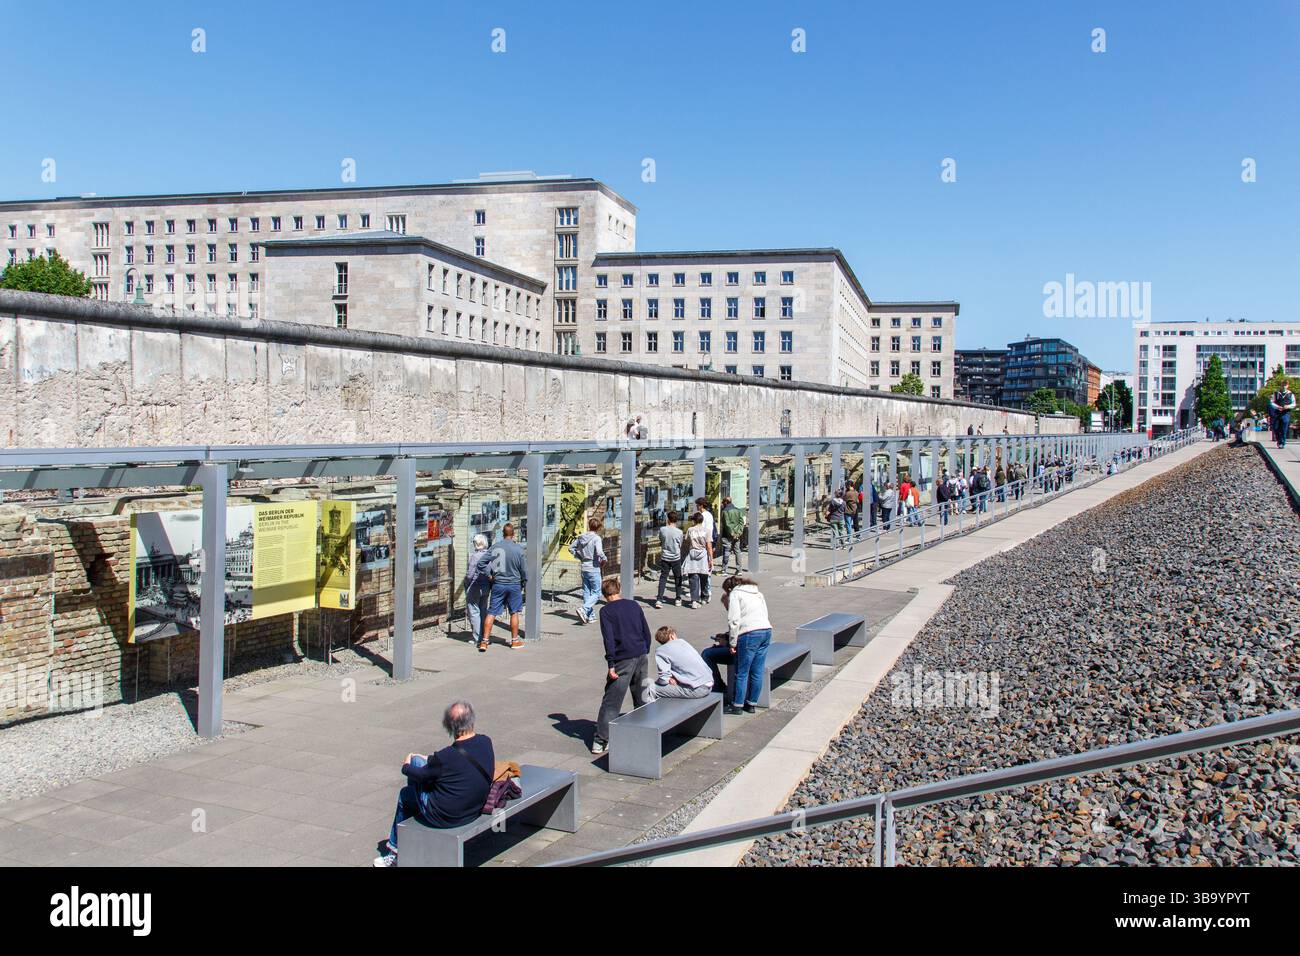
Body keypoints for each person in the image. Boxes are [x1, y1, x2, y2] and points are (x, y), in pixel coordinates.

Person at [374, 700, 494, 866]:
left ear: (450, 727)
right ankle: (414, 835)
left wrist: (406, 766)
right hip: (474, 809)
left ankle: (395, 852)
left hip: (447, 817)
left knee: (406, 794)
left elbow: (422, 775)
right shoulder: (485, 741)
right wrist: (426, 759)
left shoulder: (446, 756)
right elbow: (454, 765)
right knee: (419, 762)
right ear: (471, 720)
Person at [591, 577, 652, 755]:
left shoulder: (606, 611)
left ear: (604, 594)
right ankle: (645, 732)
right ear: (619, 589)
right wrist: (645, 648)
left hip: (622, 659)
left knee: (612, 700)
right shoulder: (634, 605)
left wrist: (611, 663)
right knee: (641, 696)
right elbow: (645, 630)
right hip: (640, 654)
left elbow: (608, 639)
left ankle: (601, 740)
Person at [718, 575, 771, 715]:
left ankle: (737, 705)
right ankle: (751, 704)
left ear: (730, 588)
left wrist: (732, 642)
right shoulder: (758, 593)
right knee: (757, 670)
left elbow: (734, 619)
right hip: (766, 630)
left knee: (742, 672)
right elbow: (765, 613)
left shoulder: (736, 593)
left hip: (748, 633)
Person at [480, 523, 526, 651]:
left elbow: (481, 563)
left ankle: (484, 641)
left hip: (498, 583)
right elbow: (524, 570)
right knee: (514, 612)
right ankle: (514, 641)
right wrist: (524, 581)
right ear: (513, 534)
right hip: (514, 584)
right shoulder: (518, 549)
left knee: (492, 611)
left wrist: (489, 575)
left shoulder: (495, 547)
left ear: (503, 533)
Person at [651, 626, 714, 699]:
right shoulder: (683, 642)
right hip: (708, 683)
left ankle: (652, 709)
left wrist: (663, 680)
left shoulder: (661, 651)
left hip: (697, 689)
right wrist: (671, 678)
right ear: (672, 635)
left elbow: (663, 680)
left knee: (650, 688)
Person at [570, 516, 606, 625]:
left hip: (584, 566)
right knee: (597, 592)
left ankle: (590, 616)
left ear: (589, 526)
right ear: (598, 527)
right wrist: (604, 559)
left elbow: (571, 548)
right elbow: (599, 553)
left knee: (587, 591)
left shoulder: (581, 537)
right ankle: (584, 609)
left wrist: (580, 557)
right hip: (593, 567)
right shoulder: (596, 538)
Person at [462, 534, 494, 646]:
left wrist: (465, 585)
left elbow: (470, 575)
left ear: (475, 544)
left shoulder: (474, 557)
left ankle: (477, 638)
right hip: (486, 586)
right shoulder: (489, 555)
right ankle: (484, 636)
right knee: (483, 611)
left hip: (475, 587)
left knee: (474, 612)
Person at [682, 511, 714, 608]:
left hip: (692, 554)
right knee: (704, 576)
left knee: (693, 577)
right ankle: (704, 597)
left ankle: (694, 600)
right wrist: (711, 559)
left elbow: (686, 540)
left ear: (695, 521)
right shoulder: (707, 531)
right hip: (703, 554)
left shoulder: (690, 530)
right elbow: (709, 546)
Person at [653, 510, 685, 608]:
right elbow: (680, 544)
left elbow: (661, 540)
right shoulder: (679, 532)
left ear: (668, 519)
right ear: (676, 520)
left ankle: (659, 599)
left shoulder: (663, 529)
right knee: (678, 578)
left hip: (665, 557)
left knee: (663, 578)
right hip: (676, 557)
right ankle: (678, 598)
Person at [719, 496, 746, 575]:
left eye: (723, 502)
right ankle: (739, 570)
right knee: (737, 551)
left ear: (726, 502)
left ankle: (724, 570)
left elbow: (727, 524)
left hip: (727, 535)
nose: (722, 504)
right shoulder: (738, 510)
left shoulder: (725, 511)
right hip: (737, 535)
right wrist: (739, 532)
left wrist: (732, 533)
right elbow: (741, 522)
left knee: (726, 551)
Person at [1270, 383, 1295, 449]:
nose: (1284, 386)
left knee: (1284, 429)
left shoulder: (1291, 394)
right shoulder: (1276, 393)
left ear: (1287, 386)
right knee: (1275, 428)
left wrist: (1287, 406)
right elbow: (1271, 402)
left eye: (1285, 385)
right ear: (1281, 386)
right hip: (1277, 413)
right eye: (1283, 385)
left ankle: (1282, 443)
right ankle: (1278, 440)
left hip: (1286, 413)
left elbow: (1293, 404)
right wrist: (1278, 407)